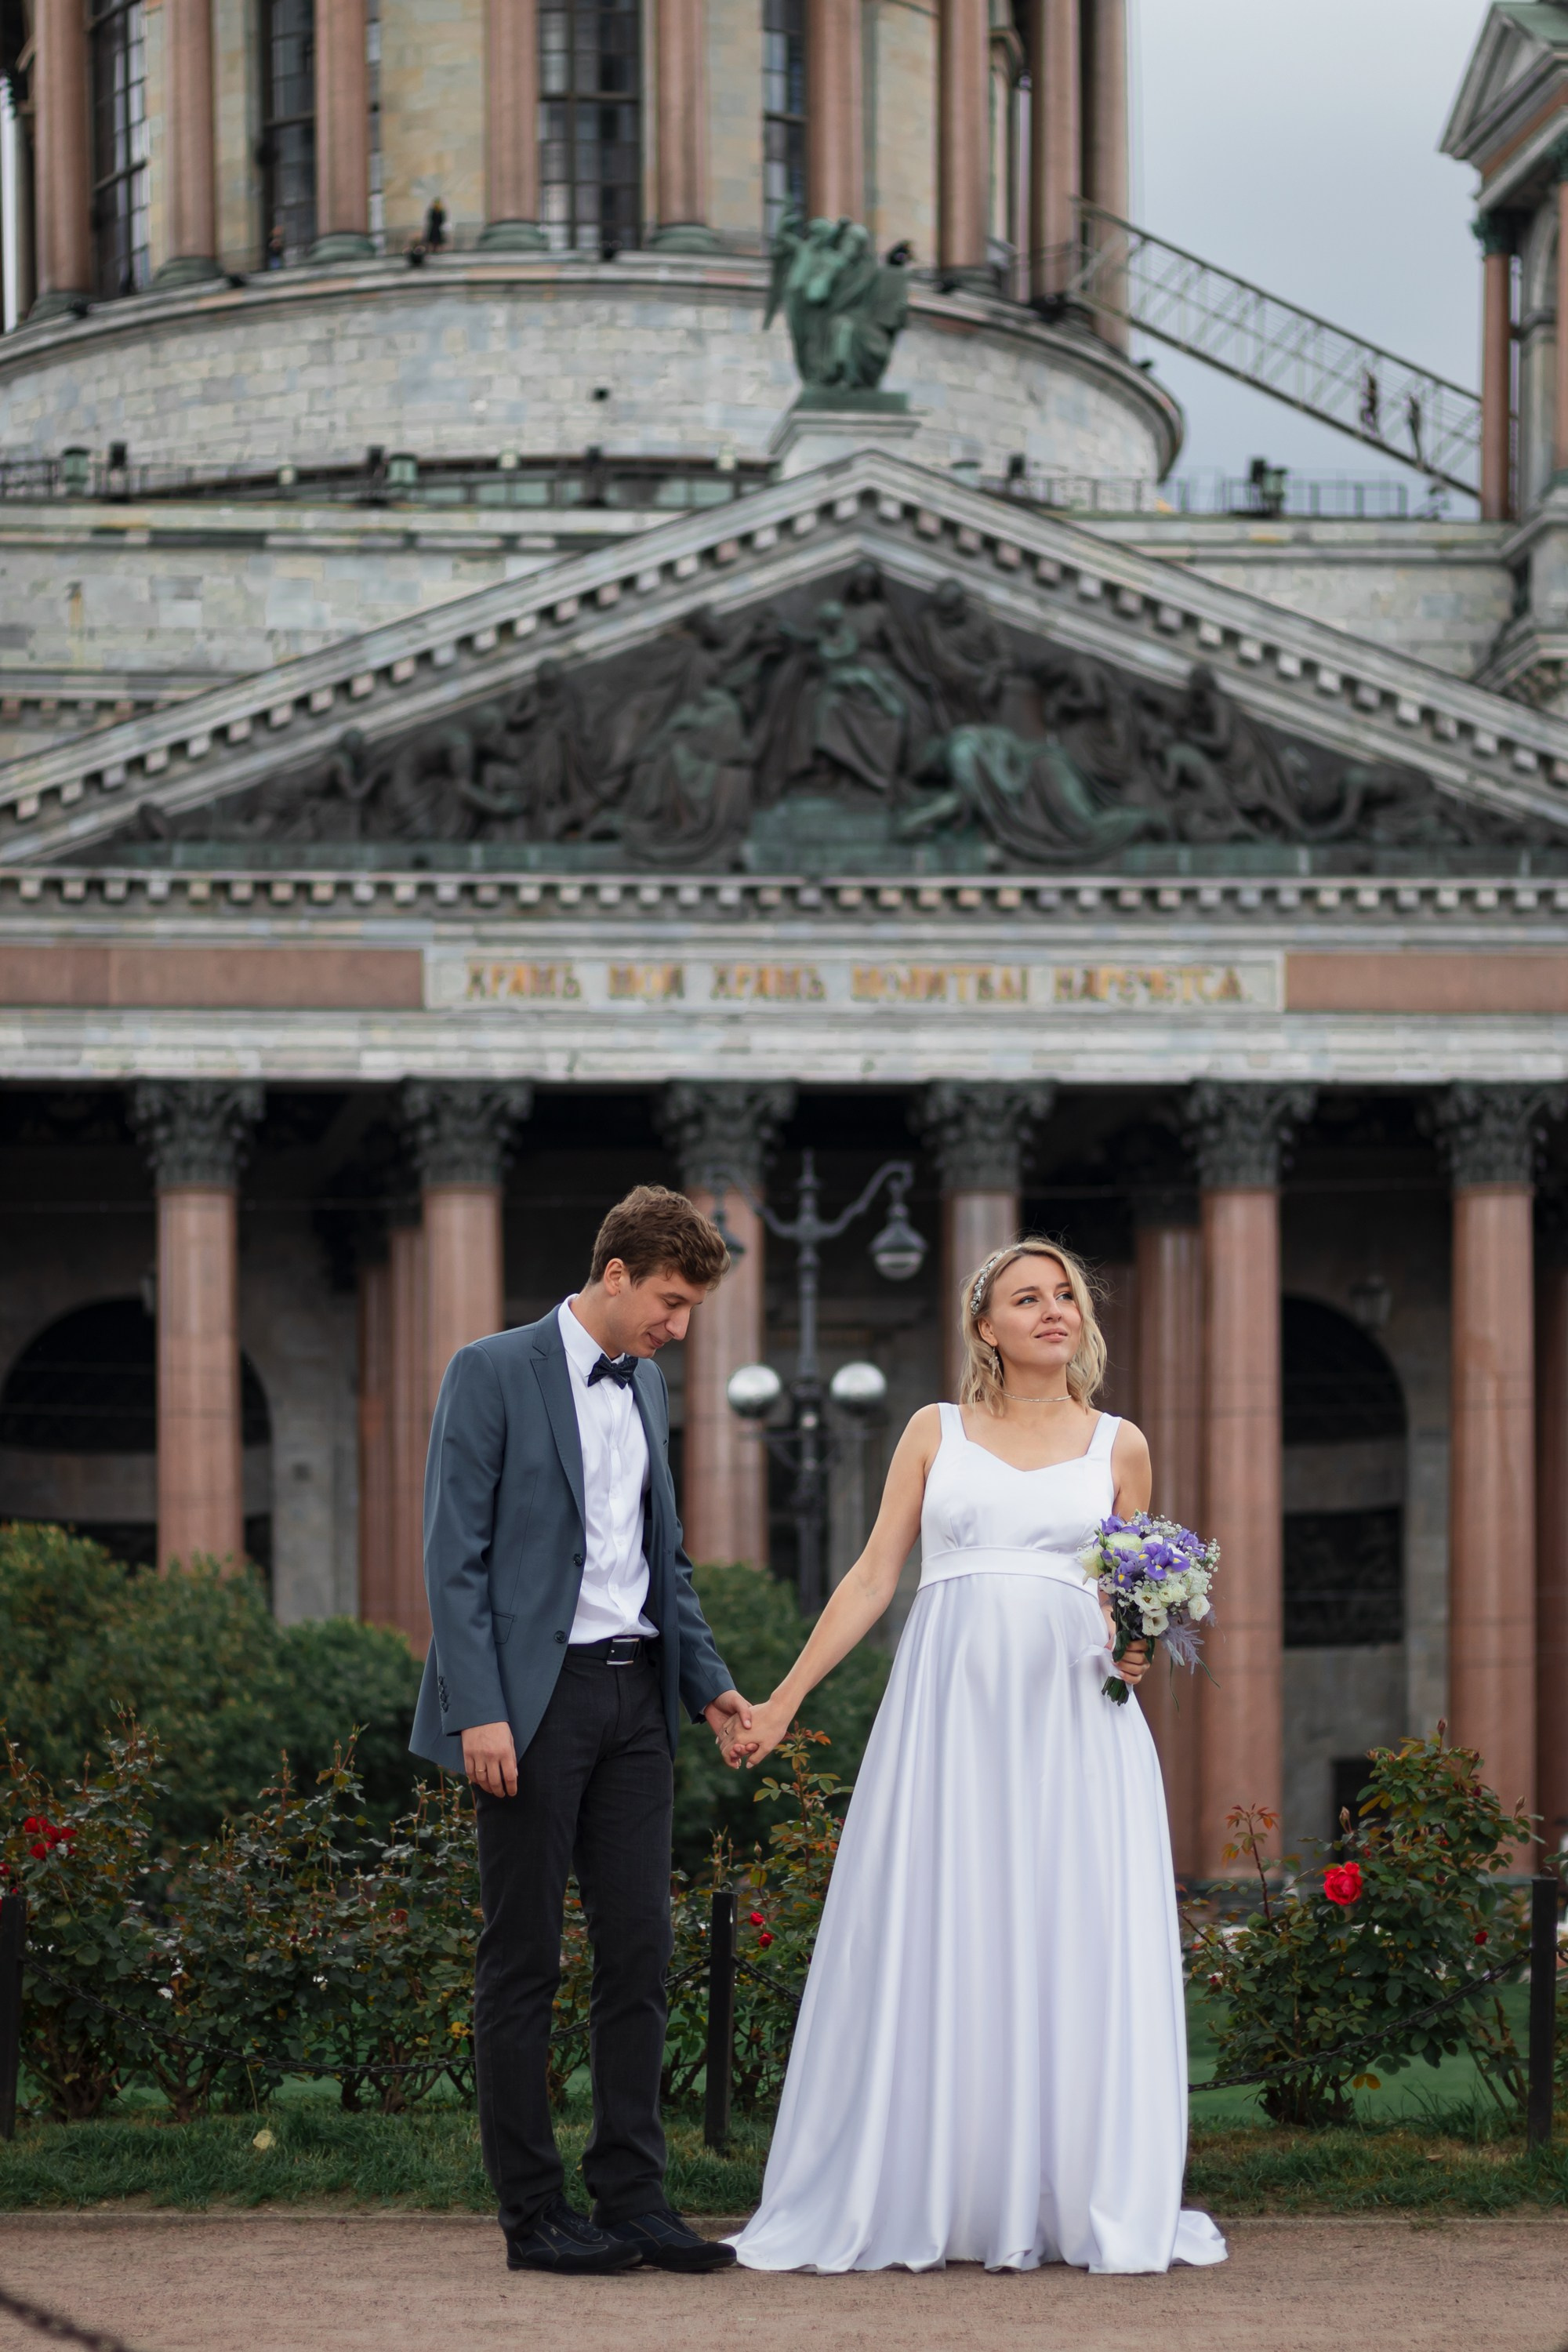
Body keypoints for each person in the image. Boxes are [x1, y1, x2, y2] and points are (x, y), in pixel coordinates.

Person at [724, 1237, 1228, 2276]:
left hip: (1075, 1723)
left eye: (1066, 1296)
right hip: (949, 1717)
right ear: (985, 1326)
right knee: (948, 1923)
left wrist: (1136, 1647)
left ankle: (1063, 2193)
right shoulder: (932, 1432)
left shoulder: (1118, 1444)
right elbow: (872, 1577)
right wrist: (782, 1699)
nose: (1054, 1311)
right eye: (1026, 1297)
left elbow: (1123, 1595)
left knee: (1066, 1934)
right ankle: (940, 2187)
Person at [410, 1185, 755, 2277]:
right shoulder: (490, 1370)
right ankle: (534, 2215)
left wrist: (711, 1687)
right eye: (669, 1300)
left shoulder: (646, 1386)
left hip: (636, 1698)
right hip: (531, 1702)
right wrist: (483, 1708)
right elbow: (452, 1557)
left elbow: (667, 1559)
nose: (678, 1327)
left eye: (690, 1308)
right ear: (615, 1274)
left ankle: (634, 2198)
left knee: (640, 1953)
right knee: (524, 1959)